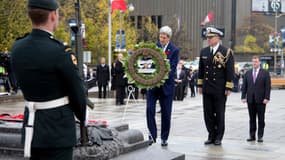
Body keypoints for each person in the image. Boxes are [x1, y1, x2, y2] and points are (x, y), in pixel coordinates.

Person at [11, 0, 86, 159]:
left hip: (32, 129)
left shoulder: (17, 48)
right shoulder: (60, 51)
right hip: (57, 132)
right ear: (53, 15)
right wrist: (82, 117)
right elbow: (78, 93)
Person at [197, 26, 235, 145]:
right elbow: (201, 70)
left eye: (211, 37)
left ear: (217, 38)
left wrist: (228, 87)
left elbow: (230, 71)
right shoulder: (204, 51)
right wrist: (200, 85)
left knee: (219, 113)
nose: (208, 39)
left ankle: (218, 136)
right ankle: (211, 135)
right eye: (207, 37)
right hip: (207, 88)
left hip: (219, 88)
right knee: (207, 113)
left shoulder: (226, 52)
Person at [146, 26, 179, 146]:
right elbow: (148, 63)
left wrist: (161, 76)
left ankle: (164, 137)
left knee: (166, 113)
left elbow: (173, 68)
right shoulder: (153, 48)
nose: (161, 39)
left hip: (166, 87)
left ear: (168, 38)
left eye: (164, 37)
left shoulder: (174, 50)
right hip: (152, 86)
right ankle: (151, 135)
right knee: (150, 110)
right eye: (160, 36)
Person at [241, 55, 271, 143]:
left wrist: (267, 97)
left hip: (261, 100)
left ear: (259, 62)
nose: (254, 63)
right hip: (250, 100)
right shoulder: (248, 73)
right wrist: (243, 96)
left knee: (261, 119)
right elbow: (244, 86)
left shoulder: (265, 73)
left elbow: (268, 87)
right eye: (253, 61)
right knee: (252, 119)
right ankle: (252, 135)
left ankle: (260, 136)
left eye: (256, 61)